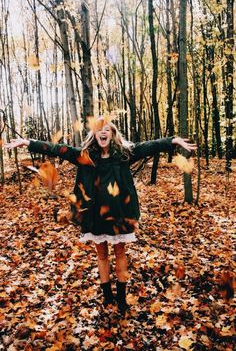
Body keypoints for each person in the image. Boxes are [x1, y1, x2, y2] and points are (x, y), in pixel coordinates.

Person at [5, 116, 197, 315]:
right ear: (94, 135)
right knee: (102, 254)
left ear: (112, 134)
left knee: (120, 252)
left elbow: (149, 146)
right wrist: (28, 142)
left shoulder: (124, 154)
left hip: (120, 214)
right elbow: (57, 148)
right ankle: (107, 296)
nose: (103, 132)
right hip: (94, 215)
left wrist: (173, 140)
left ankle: (121, 298)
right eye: (99, 129)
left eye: (107, 129)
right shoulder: (84, 156)